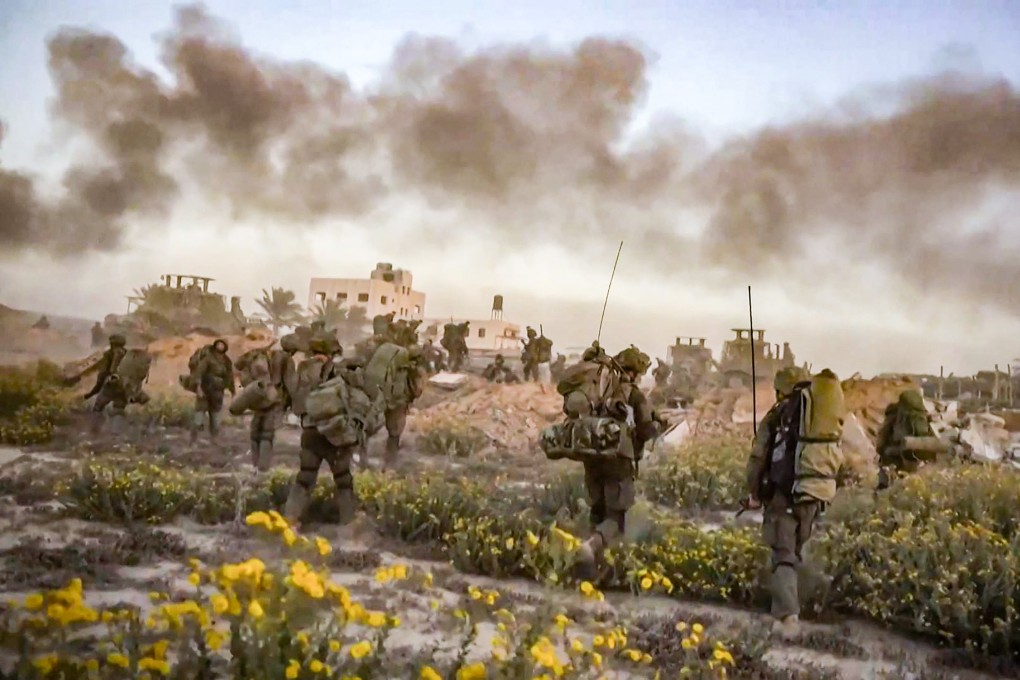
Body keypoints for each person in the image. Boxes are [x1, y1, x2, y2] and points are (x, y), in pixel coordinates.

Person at [745, 366, 842, 637]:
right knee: (797, 550)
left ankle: (788, 618)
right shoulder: (818, 415)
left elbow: (758, 457)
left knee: (783, 554)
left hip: (784, 493)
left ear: (780, 389)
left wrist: (754, 492)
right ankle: (806, 602)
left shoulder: (779, 414)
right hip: (814, 492)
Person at [574, 346, 661, 578]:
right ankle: (589, 547)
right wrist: (658, 424)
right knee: (615, 517)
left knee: (597, 511)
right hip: (618, 461)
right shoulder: (634, 395)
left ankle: (592, 568)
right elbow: (645, 430)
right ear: (633, 372)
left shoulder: (597, 390)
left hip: (592, 458)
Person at [284, 336, 357, 529]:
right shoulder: (337, 369)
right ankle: (348, 524)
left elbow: (295, 400)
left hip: (310, 432)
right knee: (343, 480)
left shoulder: (303, 369)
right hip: (334, 433)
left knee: (305, 478)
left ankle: (290, 519)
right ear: (331, 352)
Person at [875, 389, 936, 488]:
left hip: (900, 457)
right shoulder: (920, 416)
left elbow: (881, 440)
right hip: (911, 458)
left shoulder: (895, 415)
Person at [190, 339, 235, 444]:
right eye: (218, 344)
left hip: (218, 392)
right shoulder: (208, 358)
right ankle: (193, 440)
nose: (220, 346)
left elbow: (230, 377)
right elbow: (199, 372)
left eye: (222, 345)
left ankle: (214, 439)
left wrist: (233, 391)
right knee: (199, 416)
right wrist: (199, 388)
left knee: (216, 418)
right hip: (205, 390)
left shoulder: (227, 361)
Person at [83, 334, 130, 435]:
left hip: (111, 385)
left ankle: (95, 431)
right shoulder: (129, 355)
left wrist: (92, 392)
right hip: (125, 386)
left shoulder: (108, 355)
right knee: (119, 409)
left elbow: (102, 375)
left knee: (98, 407)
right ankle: (116, 434)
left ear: (112, 344)